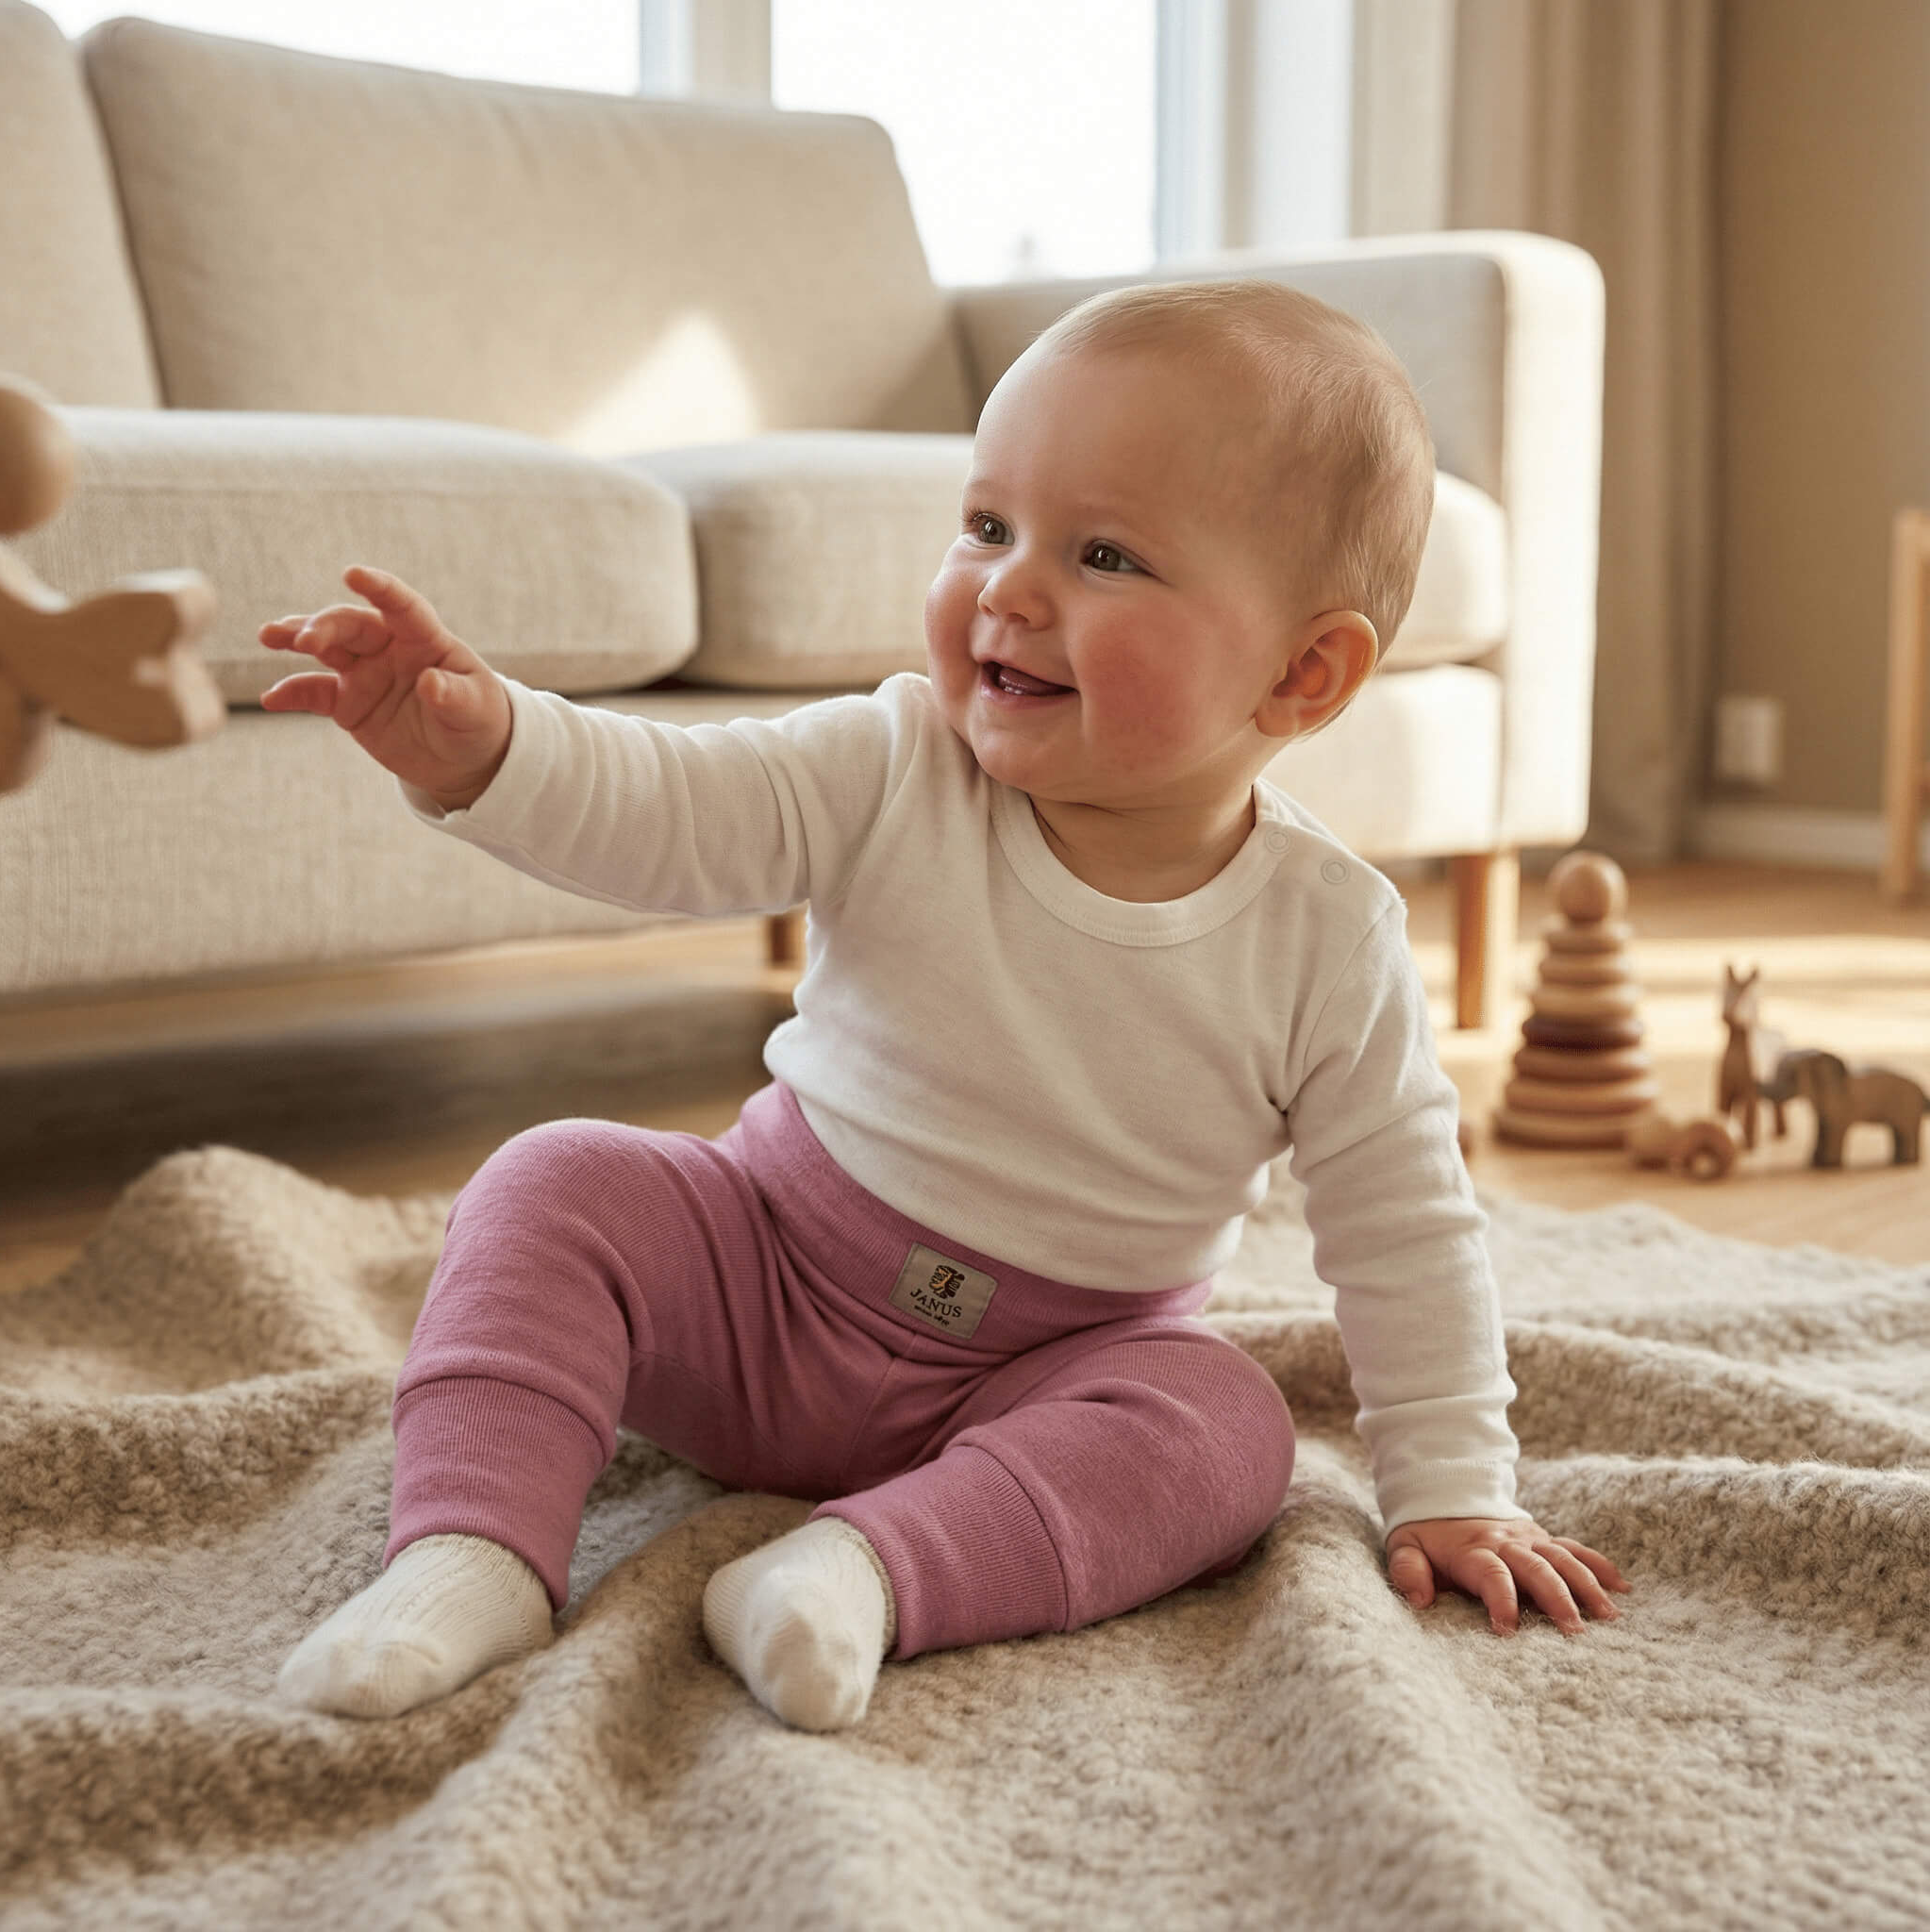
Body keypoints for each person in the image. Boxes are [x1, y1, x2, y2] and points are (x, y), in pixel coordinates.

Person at [266, 278, 1628, 1732]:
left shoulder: (1328, 938)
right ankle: (472, 1553)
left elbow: (1407, 1231)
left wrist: (1456, 1489)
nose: (1008, 589)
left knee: (1230, 1433)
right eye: (987, 525)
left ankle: (855, 1573)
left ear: (1305, 672)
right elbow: (671, 809)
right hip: (763, 1282)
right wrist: (485, 747)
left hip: (1040, 1380)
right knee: (553, 1183)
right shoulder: (895, 761)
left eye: (1103, 554)